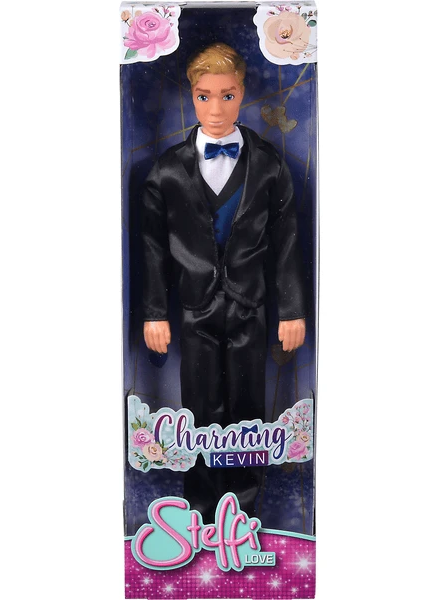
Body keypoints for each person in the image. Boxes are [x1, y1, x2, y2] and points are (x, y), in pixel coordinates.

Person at [141, 42, 306, 521]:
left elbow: (287, 240)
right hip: (195, 309)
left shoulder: (268, 164)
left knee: (249, 409)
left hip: (250, 306)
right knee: (200, 407)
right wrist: (154, 313)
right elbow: (152, 247)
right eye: (204, 96)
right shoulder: (167, 171)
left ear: (243, 94)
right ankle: (201, 509)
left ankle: (245, 512)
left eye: (227, 95)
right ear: (191, 96)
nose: (216, 109)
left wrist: (292, 309)